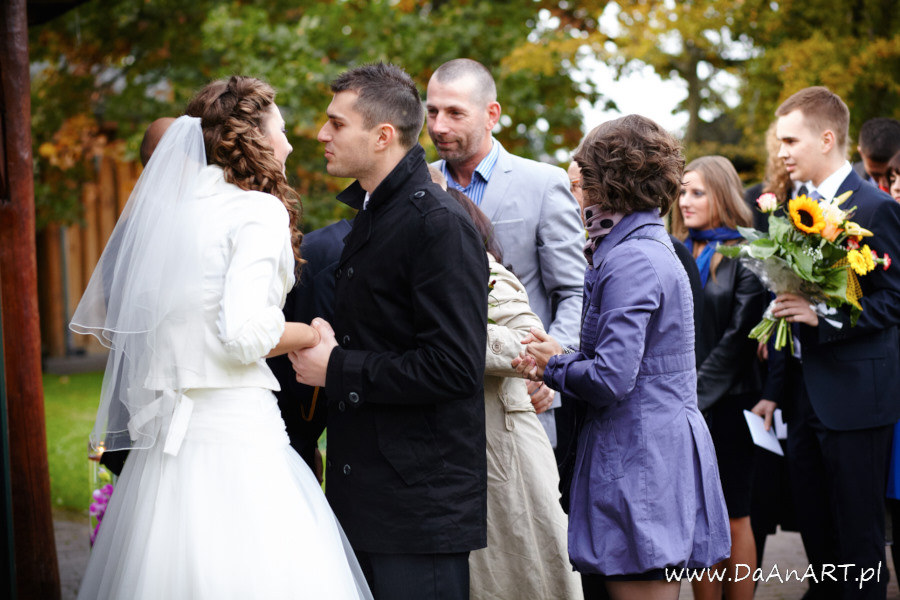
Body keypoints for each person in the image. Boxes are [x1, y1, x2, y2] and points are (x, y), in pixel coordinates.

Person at [70, 76, 372, 600]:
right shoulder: (257, 211)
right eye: (281, 130)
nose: (292, 143)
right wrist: (311, 331)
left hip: (168, 448)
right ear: (254, 138)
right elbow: (244, 334)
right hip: (235, 436)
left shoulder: (171, 216)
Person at [290, 63, 489, 600]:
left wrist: (337, 368)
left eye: (335, 123)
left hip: (417, 510)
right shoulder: (375, 215)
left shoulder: (437, 224)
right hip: (367, 498)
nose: (321, 134)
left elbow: (455, 367)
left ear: (382, 136)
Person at [514, 114, 731, 600]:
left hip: (642, 456)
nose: (578, 194)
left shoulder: (631, 257)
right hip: (648, 447)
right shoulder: (642, 244)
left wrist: (552, 365)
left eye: (583, 179)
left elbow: (613, 377)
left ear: (606, 181)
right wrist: (563, 354)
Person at [753, 86, 900, 599]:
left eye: (791, 140)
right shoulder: (795, 208)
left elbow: (894, 298)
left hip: (858, 398)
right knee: (816, 536)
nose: (782, 152)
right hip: (802, 394)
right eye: (780, 141)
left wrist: (822, 316)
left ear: (827, 138)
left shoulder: (875, 207)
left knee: (858, 542)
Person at [425, 58, 585, 451]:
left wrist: (554, 367)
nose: (439, 126)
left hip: (521, 402)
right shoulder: (417, 184)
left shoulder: (544, 184)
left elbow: (576, 292)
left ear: (491, 114)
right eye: (432, 112)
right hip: (435, 405)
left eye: (455, 113)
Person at [445, 188, 583, 600]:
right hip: (468, 457)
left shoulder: (488, 272)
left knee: (526, 577)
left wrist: (443, 337)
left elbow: (529, 342)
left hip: (507, 456)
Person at [671, 155, 767, 600]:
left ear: (722, 195)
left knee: (733, 515)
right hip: (679, 400)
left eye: (697, 192)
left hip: (729, 401)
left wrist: (691, 394)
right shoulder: (674, 248)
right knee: (695, 514)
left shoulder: (747, 254)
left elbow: (739, 339)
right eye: (682, 191)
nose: (684, 201)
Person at [854, 117, 900, 191]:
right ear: (861, 154)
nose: (885, 183)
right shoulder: (846, 181)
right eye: (876, 175)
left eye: (891, 174)